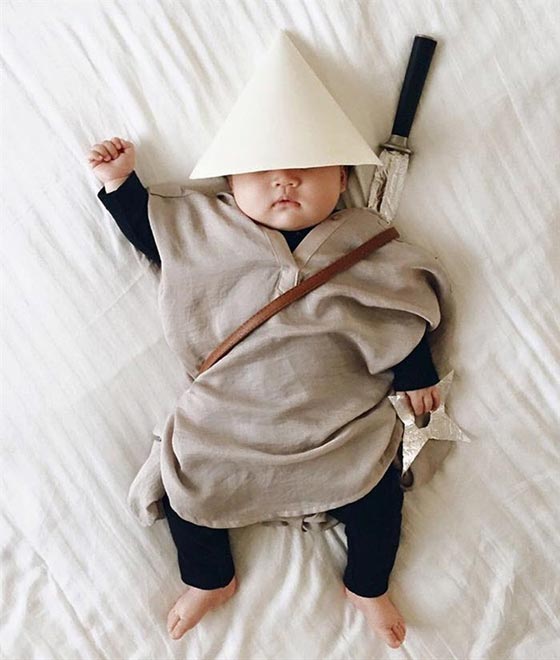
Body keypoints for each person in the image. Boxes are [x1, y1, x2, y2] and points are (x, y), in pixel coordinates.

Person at [86, 31, 452, 650]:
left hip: (337, 422)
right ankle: (210, 577)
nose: (284, 181)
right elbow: (154, 234)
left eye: (306, 170)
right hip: (229, 419)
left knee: (377, 496)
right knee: (187, 487)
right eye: (261, 173)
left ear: (343, 177)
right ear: (231, 184)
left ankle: (367, 586)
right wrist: (121, 183)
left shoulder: (367, 242)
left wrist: (416, 371)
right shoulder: (206, 228)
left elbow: (400, 307)